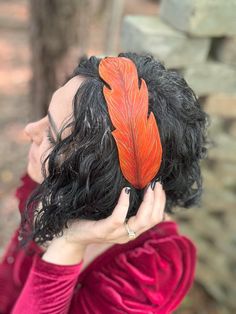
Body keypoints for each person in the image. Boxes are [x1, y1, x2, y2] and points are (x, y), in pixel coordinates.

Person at [0, 52, 208, 314]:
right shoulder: (57, 184)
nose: (30, 129)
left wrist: (69, 244)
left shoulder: (148, 272)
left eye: (52, 137)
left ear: (95, 175)